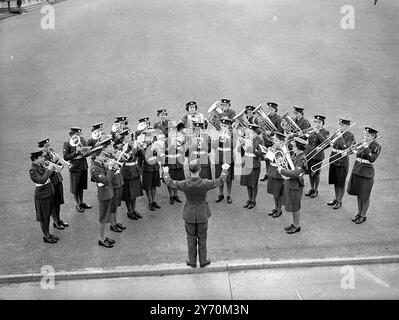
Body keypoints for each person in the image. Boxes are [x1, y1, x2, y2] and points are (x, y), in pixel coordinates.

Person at [163, 160, 230, 268]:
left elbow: (170, 182)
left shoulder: (185, 184)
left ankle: (192, 261)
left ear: (189, 171)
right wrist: (224, 169)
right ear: (200, 170)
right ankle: (203, 261)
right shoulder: (205, 183)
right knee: (202, 239)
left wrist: (165, 172)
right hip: (202, 214)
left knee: (190, 239)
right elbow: (220, 181)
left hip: (189, 215)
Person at [347, 127, 381, 224]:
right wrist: (352, 148)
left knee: (364, 195)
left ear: (373, 136)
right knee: (358, 193)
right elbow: (356, 153)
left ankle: (363, 215)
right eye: (365, 135)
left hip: (366, 173)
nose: (365, 137)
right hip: (357, 170)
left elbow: (372, 159)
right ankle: (359, 212)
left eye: (368, 135)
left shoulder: (376, 146)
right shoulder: (362, 143)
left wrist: (366, 147)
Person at [278, 137, 308, 234]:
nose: (293, 147)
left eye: (294, 146)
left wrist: (282, 170)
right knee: (292, 206)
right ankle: (294, 224)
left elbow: (296, 173)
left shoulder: (301, 158)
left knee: (295, 207)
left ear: (298, 147)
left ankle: (296, 225)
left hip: (295, 186)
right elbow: (290, 163)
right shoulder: (297, 155)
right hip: (290, 184)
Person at [38, 138, 68, 230]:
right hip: (51, 181)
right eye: (47, 146)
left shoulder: (50, 152)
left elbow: (58, 166)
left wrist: (60, 161)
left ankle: (58, 219)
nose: (50, 147)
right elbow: (48, 170)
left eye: (50, 145)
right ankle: (55, 221)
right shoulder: (42, 158)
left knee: (58, 202)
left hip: (57, 179)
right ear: (42, 147)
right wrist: (54, 161)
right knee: (54, 203)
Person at [90, 145, 117, 248]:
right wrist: (110, 169)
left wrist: (112, 167)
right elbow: (105, 181)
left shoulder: (100, 163)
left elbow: (110, 176)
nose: (104, 156)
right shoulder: (94, 168)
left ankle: (104, 236)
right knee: (103, 218)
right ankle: (101, 239)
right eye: (102, 155)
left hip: (108, 191)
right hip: (104, 193)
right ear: (96, 156)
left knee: (106, 215)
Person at [29, 149, 58, 243]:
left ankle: (48, 233)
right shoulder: (33, 170)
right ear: (35, 159)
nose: (43, 158)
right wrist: (49, 169)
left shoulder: (40, 165)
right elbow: (42, 180)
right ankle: (46, 236)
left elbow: (50, 176)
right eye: (41, 157)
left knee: (48, 216)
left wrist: (54, 167)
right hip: (42, 196)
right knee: (44, 217)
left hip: (48, 193)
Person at [327, 119, 355, 209]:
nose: (340, 127)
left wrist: (340, 138)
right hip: (333, 158)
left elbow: (345, 147)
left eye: (342, 126)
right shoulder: (337, 132)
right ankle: (336, 198)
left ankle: (339, 201)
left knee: (341, 183)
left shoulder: (350, 135)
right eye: (340, 125)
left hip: (342, 161)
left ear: (347, 126)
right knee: (335, 181)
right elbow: (330, 142)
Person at [63, 127, 92, 213]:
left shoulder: (82, 140)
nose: (79, 136)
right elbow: (66, 157)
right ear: (72, 135)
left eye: (79, 135)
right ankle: (78, 203)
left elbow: (88, 153)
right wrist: (76, 152)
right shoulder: (67, 143)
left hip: (83, 165)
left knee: (81, 185)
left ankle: (82, 202)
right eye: (77, 135)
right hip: (75, 167)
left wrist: (86, 151)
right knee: (75, 187)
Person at [304, 115, 330, 198]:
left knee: (316, 173)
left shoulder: (325, 132)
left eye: (319, 122)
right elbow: (306, 138)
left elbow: (325, 142)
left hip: (318, 156)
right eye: (316, 122)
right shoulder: (311, 130)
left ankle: (316, 189)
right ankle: (312, 188)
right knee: (310, 173)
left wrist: (318, 132)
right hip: (309, 154)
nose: (317, 124)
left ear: (322, 123)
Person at [239, 123, 263, 209]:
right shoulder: (247, 139)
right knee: (248, 183)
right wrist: (242, 145)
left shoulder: (260, 141)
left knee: (254, 184)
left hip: (255, 164)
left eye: (251, 132)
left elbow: (260, 154)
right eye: (249, 132)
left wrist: (251, 147)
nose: (249, 134)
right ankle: (249, 199)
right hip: (247, 162)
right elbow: (244, 152)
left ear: (256, 133)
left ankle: (253, 200)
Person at [106, 133, 126, 233]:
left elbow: (120, 165)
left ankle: (116, 221)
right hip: (113, 183)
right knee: (112, 205)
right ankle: (112, 224)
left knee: (116, 204)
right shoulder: (105, 157)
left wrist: (120, 156)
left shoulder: (112, 154)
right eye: (110, 146)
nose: (112, 147)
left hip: (118, 181)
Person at [121, 131, 144, 220]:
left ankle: (134, 210)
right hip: (126, 172)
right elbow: (128, 157)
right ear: (123, 139)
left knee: (134, 192)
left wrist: (141, 149)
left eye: (130, 137)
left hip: (134, 170)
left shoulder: (134, 146)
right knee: (128, 193)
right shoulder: (121, 148)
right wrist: (134, 149)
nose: (129, 139)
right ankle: (129, 211)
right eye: (127, 138)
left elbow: (143, 157)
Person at [212, 117, 235, 204]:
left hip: (228, 157)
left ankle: (229, 195)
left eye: (225, 126)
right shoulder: (217, 133)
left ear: (228, 126)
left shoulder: (232, 134)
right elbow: (213, 146)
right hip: (219, 157)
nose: (223, 127)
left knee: (228, 178)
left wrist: (228, 138)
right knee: (219, 176)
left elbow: (234, 146)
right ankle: (221, 194)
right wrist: (219, 139)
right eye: (222, 125)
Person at [139, 127, 162, 211]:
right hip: (147, 168)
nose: (151, 138)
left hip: (155, 166)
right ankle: (150, 202)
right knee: (148, 186)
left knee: (154, 185)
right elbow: (145, 157)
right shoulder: (142, 146)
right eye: (149, 136)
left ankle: (154, 200)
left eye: (152, 136)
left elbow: (159, 156)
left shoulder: (155, 144)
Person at [260, 102, 284, 181]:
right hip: (266, 141)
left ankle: (273, 174)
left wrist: (271, 132)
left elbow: (280, 131)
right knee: (267, 158)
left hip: (274, 142)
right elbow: (263, 128)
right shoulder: (266, 117)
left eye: (271, 109)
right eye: (269, 109)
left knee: (273, 159)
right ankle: (267, 173)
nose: (270, 110)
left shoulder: (278, 118)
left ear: (275, 110)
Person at [164, 122, 185, 205]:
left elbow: (183, 149)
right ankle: (171, 196)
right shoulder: (165, 141)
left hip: (178, 161)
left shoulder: (179, 139)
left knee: (177, 179)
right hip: (170, 162)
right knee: (170, 179)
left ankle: (176, 194)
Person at [265, 132, 286, 218]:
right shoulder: (274, 147)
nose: (274, 142)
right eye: (274, 140)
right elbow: (266, 158)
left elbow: (280, 161)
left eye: (276, 140)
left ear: (281, 141)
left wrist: (271, 154)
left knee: (278, 193)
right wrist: (267, 152)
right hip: (272, 171)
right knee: (274, 192)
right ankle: (276, 207)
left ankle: (279, 209)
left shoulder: (282, 149)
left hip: (278, 172)